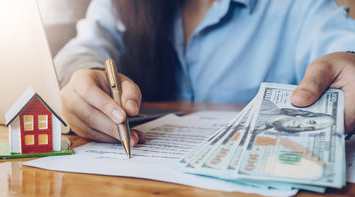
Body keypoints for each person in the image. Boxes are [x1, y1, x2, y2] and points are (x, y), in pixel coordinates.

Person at [55, 0, 355, 145]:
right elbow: (82, 50)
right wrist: (82, 77)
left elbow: (343, 47)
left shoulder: (298, 6)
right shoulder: (120, 4)